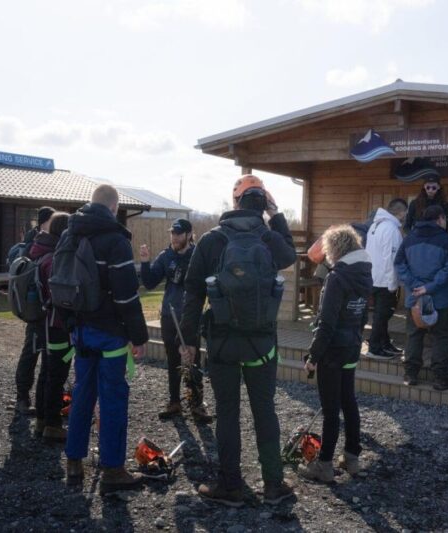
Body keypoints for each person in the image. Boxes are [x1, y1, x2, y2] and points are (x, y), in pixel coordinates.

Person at [180, 174, 296, 507]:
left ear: (234, 203)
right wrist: (276, 215)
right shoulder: (270, 237)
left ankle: (230, 485)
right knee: (265, 411)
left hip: (221, 343)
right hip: (262, 343)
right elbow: (289, 256)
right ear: (265, 205)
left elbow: (192, 292)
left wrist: (188, 341)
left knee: (227, 412)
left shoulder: (211, 240)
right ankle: (274, 484)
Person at [63, 184, 149, 494]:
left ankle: (73, 463)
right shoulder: (116, 241)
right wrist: (139, 336)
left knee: (82, 392)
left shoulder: (70, 235)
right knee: (113, 399)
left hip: (80, 330)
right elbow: (127, 296)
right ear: (114, 209)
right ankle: (113, 469)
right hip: (110, 334)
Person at [298, 224, 371, 483]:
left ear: (334, 249)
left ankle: (325, 464)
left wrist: (313, 357)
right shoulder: (365, 273)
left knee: (331, 409)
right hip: (351, 345)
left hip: (332, 351)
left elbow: (326, 323)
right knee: (349, 402)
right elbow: (362, 314)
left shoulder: (337, 277)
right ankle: (352, 458)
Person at [139, 218, 212, 423]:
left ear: (189, 235)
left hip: (190, 316)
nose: (174, 237)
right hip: (169, 315)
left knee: (193, 358)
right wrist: (145, 261)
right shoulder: (166, 256)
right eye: (172, 233)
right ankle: (174, 402)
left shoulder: (197, 255)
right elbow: (150, 282)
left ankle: (196, 404)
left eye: (178, 233)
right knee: (172, 359)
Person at [395, 205, 448, 390]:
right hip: (442, 299)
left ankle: (410, 374)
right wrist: (429, 287)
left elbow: (399, 264)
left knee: (414, 335)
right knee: (442, 337)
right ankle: (440, 378)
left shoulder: (409, 239)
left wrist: (416, 285)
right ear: (440, 219)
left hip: (414, 298)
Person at [28, 212, 73, 441]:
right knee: (56, 373)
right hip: (56, 324)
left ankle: (43, 421)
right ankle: (53, 424)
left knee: (47, 371)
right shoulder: (55, 258)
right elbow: (60, 295)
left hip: (44, 323)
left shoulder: (40, 252)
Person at [14, 206, 55, 415]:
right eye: (52, 220)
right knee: (31, 353)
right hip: (37, 310)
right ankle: (22, 396)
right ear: (43, 223)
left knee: (47, 356)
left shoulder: (40, 242)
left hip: (42, 310)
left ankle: (43, 401)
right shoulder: (36, 244)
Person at [365, 198, 408, 359]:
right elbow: (391, 258)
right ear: (401, 212)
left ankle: (384, 343)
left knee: (380, 314)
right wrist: (393, 283)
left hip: (374, 277)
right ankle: (375, 348)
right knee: (382, 315)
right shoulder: (391, 229)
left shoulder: (375, 226)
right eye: (405, 212)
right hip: (385, 281)